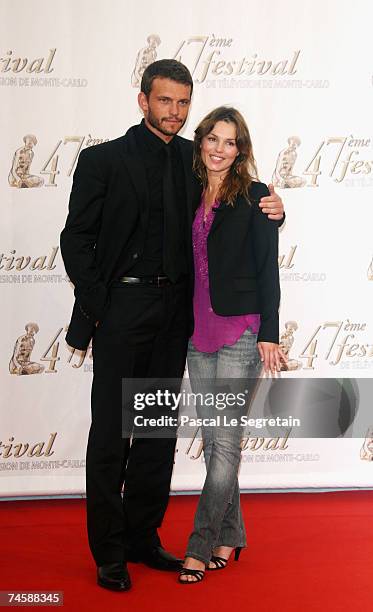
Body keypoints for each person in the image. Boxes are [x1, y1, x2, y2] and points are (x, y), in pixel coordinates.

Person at [60, 59, 284, 592]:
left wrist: (274, 208)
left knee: (157, 434)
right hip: (122, 314)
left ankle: (142, 537)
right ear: (143, 101)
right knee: (113, 435)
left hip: (175, 319)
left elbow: (236, 198)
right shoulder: (103, 160)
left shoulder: (193, 158)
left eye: (184, 103)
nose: (175, 112)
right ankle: (109, 551)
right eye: (165, 101)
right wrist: (102, 304)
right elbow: (77, 239)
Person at [179, 107, 286, 584]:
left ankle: (200, 544)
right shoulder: (188, 191)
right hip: (196, 334)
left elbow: (269, 270)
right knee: (216, 442)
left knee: (224, 448)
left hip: (241, 333)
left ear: (240, 149)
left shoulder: (258, 197)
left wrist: (268, 332)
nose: (220, 149)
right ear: (200, 142)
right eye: (212, 139)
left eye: (230, 141)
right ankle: (231, 535)